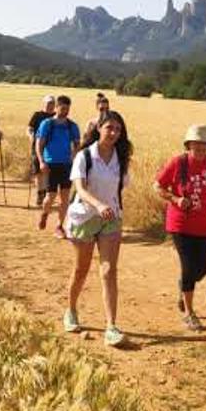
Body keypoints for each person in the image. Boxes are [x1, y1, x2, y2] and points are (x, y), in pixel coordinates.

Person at [62, 110, 133, 347]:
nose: (113, 133)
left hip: (111, 218)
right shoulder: (85, 156)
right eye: (109, 127)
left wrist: (108, 206)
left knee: (109, 270)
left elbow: (121, 186)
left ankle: (111, 326)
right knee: (81, 270)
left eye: (118, 129)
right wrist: (99, 204)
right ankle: (71, 310)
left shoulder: (120, 158)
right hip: (84, 218)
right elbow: (80, 189)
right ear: (99, 129)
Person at [154, 124, 206, 331]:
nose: (201, 148)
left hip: (205, 225)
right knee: (188, 267)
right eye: (197, 144)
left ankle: (184, 287)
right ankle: (189, 313)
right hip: (180, 224)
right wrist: (176, 199)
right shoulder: (179, 163)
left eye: (205, 144)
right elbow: (158, 185)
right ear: (189, 144)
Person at [36, 95, 81, 238]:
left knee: (65, 197)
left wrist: (75, 159)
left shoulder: (72, 126)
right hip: (51, 164)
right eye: (62, 108)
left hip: (67, 165)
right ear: (56, 107)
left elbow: (77, 145)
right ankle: (45, 213)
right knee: (50, 196)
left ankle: (59, 226)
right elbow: (39, 144)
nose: (65, 111)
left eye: (67, 109)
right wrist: (41, 161)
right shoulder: (47, 124)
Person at [27, 95, 56, 207]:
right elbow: (29, 128)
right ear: (44, 104)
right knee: (38, 171)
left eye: (52, 103)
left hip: (51, 148)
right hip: (37, 146)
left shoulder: (56, 116)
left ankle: (45, 193)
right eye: (48, 103)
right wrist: (31, 136)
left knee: (48, 171)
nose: (50, 105)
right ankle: (40, 193)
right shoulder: (37, 115)